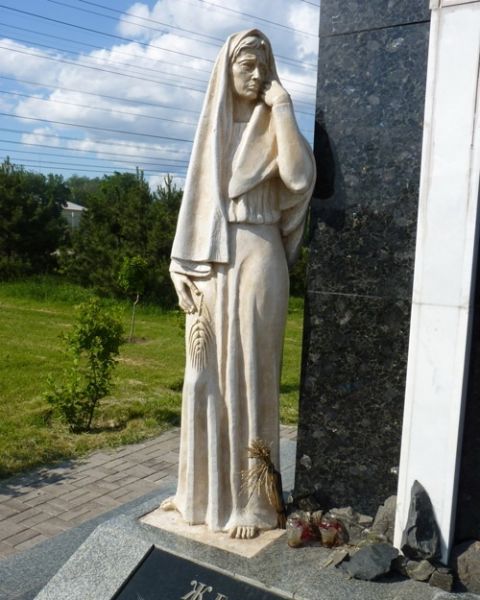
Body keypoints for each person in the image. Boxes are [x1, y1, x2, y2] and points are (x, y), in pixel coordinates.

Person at [162, 29, 315, 540]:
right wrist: (180, 266)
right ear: (226, 71)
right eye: (245, 64)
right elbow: (196, 205)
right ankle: (198, 494)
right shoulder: (213, 129)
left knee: (251, 377)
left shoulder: (275, 121)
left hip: (257, 254)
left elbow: (297, 178)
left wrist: (285, 107)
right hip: (212, 266)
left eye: (261, 64)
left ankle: (255, 502)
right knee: (204, 378)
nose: (254, 74)